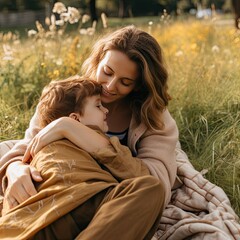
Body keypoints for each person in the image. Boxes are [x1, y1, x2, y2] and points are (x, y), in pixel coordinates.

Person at [0, 25, 179, 238]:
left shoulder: (153, 118)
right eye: (107, 72)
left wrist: (70, 129)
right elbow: (30, 145)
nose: (110, 86)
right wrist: (14, 168)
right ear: (98, 61)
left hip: (105, 200)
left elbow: (156, 181)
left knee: (151, 191)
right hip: (57, 193)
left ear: (138, 85)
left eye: (125, 82)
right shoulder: (68, 94)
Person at [1, 76, 162, 239]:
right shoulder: (45, 141)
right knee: (151, 187)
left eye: (126, 81)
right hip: (63, 207)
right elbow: (138, 174)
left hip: (67, 216)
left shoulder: (95, 139)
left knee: (150, 186)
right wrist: (14, 167)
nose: (106, 110)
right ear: (76, 118)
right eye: (98, 105)